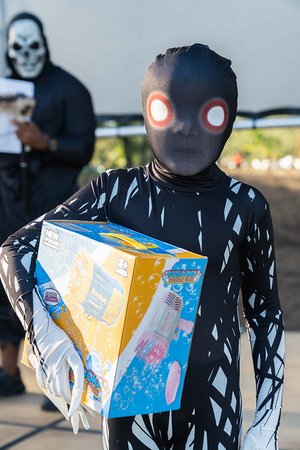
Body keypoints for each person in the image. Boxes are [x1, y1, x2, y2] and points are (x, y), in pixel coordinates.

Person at [0, 44, 284, 448]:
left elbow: (265, 314)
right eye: (167, 110)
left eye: (207, 112)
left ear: (228, 117)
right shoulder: (116, 191)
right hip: (130, 406)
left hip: (211, 403)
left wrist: (267, 418)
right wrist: (47, 335)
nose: (185, 127)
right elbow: (17, 249)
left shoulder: (245, 205)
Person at [0, 12, 95, 401]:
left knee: (59, 291)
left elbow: (84, 148)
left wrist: (46, 143)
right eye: (16, 48)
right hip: (8, 202)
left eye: (32, 45)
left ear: (45, 44)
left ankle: (67, 383)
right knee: (6, 285)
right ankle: (7, 374)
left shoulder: (70, 89)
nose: (25, 54)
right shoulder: (4, 89)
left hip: (55, 207)